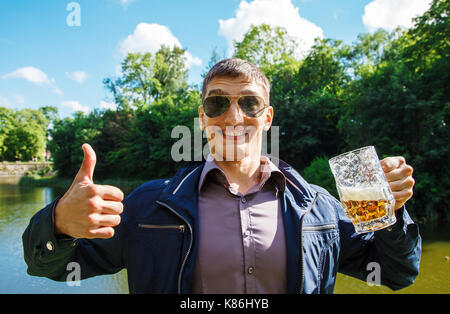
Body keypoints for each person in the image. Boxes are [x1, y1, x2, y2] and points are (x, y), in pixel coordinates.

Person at [22, 58, 421, 294]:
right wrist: (57, 222)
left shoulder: (319, 207)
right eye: (217, 103)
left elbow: (396, 272)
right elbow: (48, 267)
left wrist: (391, 214)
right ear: (203, 118)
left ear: (267, 117)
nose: (233, 116)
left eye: (249, 102)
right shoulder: (148, 207)